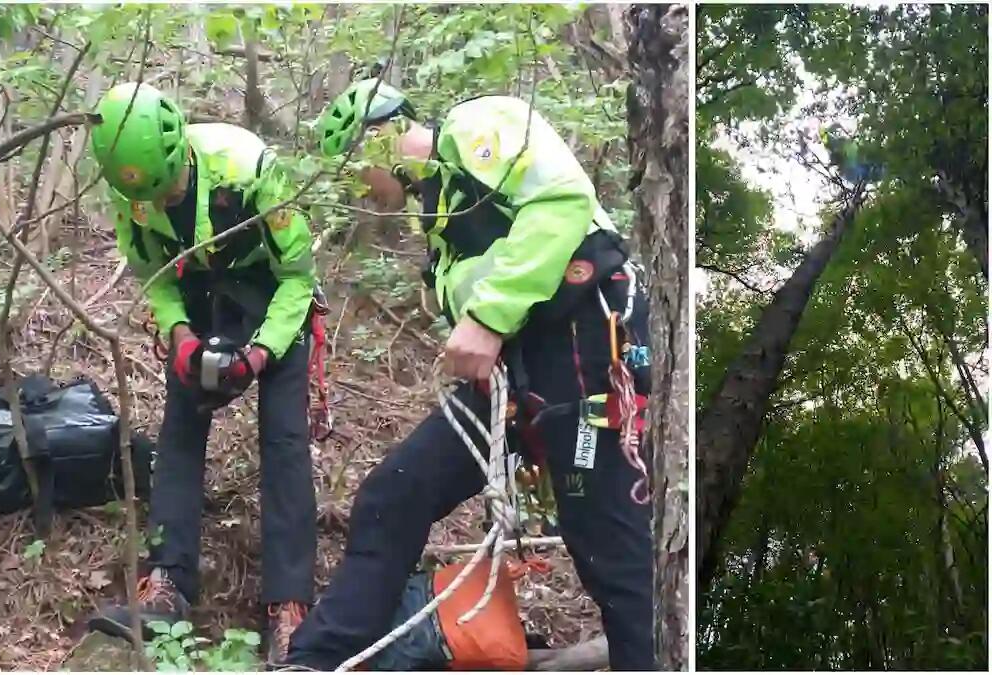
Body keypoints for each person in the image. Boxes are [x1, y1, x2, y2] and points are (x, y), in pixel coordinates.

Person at [285, 79, 656, 671]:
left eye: (357, 172)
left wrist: (486, 316)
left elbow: (559, 203)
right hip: (515, 379)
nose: (363, 192)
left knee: (607, 542)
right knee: (396, 492)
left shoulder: (477, 127)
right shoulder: (438, 231)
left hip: (586, 347)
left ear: (377, 142)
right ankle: (316, 660)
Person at [84, 82, 317, 664]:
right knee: (180, 431)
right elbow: (154, 275)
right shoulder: (129, 190)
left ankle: (289, 607)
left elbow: (298, 275)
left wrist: (261, 353)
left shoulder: (250, 169)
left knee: (284, 440)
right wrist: (181, 337)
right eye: (148, 199)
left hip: (271, 290)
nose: (159, 206)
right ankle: (168, 584)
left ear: (179, 151)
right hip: (197, 291)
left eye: (167, 193)